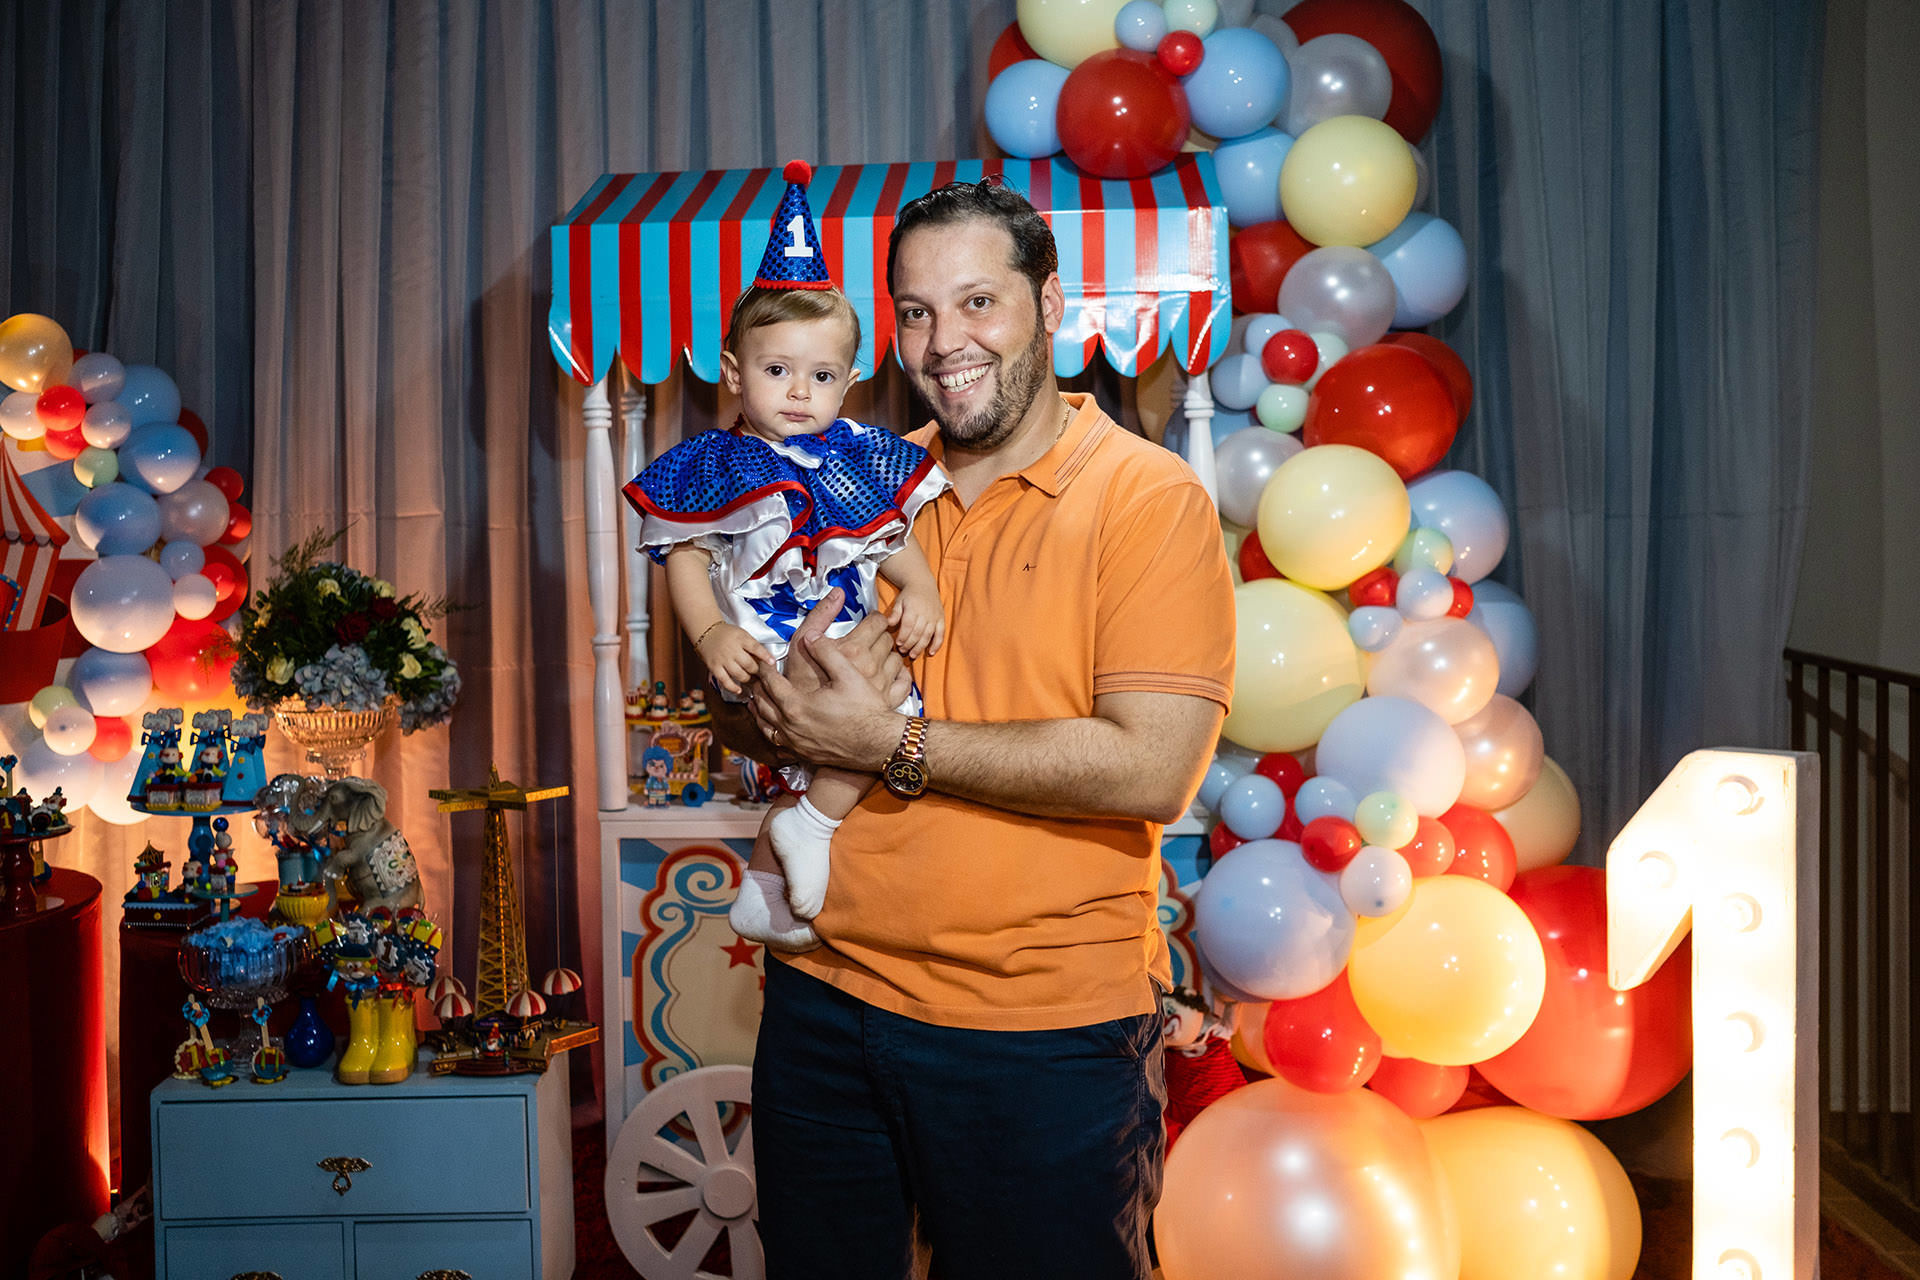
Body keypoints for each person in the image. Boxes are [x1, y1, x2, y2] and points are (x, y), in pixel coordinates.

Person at [737, 178, 1236, 1280]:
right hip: (825, 1000)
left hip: (1039, 1031)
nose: (941, 340)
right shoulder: (861, 480)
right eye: (915, 310)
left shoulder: (1148, 500)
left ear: (1051, 302)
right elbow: (788, 668)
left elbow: (1151, 766)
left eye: (977, 303)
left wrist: (888, 746)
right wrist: (776, 692)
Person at [624, 161, 950, 950]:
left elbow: (890, 543)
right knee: (796, 745)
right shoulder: (716, 464)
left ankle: (777, 873)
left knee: (881, 730)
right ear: (734, 372)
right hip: (768, 641)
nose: (800, 391)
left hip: (851, 643)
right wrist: (710, 636)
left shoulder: (859, 457)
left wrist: (924, 590)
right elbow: (687, 558)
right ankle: (795, 842)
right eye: (777, 371)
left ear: (850, 381)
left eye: (822, 375)